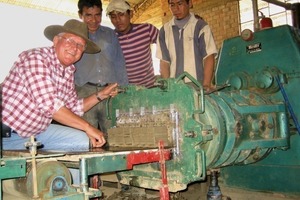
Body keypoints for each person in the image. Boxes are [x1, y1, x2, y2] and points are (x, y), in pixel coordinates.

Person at [1, 19, 119, 151]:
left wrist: (101, 95)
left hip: (36, 133)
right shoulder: (36, 58)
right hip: (7, 133)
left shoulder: (68, 71)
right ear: (56, 40)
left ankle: (60, 172)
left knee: (82, 141)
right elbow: (49, 105)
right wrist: (88, 127)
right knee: (86, 134)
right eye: (70, 41)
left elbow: (74, 107)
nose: (74, 48)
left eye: (80, 45)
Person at [75, 0, 128, 136]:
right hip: (84, 93)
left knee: (115, 135)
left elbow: (119, 63)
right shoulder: (74, 36)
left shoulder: (110, 34)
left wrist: (122, 89)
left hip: (110, 92)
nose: (94, 20)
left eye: (97, 15)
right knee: (87, 137)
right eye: (88, 15)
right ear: (80, 15)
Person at [156, 0, 218, 92]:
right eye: (172, 5)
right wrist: (167, 86)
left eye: (180, 4)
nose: (176, 9)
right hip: (175, 87)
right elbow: (164, 62)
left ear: (190, 3)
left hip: (197, 85)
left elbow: (209, 57)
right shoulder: (164, 31)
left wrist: (206, 84)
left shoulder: (201, 27)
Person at [106, 0, 159, 88]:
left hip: (149, 87)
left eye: (121, 14)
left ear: (130, 14)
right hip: (126, 91)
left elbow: (166, 46)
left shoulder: (147, 29)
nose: (118, 20)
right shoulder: (110, 39)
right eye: (113, 17)